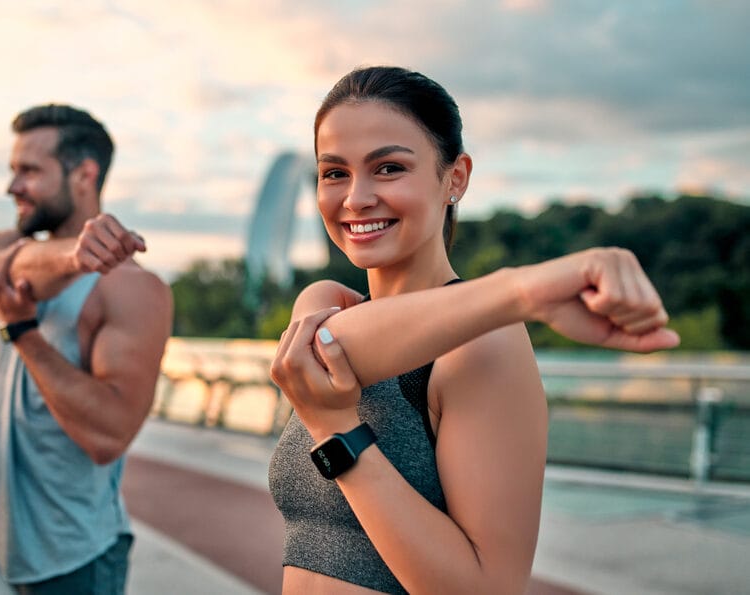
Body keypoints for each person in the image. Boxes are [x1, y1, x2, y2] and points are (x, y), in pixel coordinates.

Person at [267, 66, 680, 595]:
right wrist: (524, 291)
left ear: (455, 178)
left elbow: (487, 589)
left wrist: (339, 437)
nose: (356, 198)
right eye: (334, 173)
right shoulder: (326, 303)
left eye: (389, 168)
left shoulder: (486, 345)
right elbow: (334, 346)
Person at [0, 104, 173, 594]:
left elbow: (108, 436)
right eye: (13, 170)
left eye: (30, 171)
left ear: (84, 175)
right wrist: (75, 255)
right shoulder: (0, 250)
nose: (12, 187)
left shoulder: (134, 290)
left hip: (73, 562)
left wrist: (26, 335)